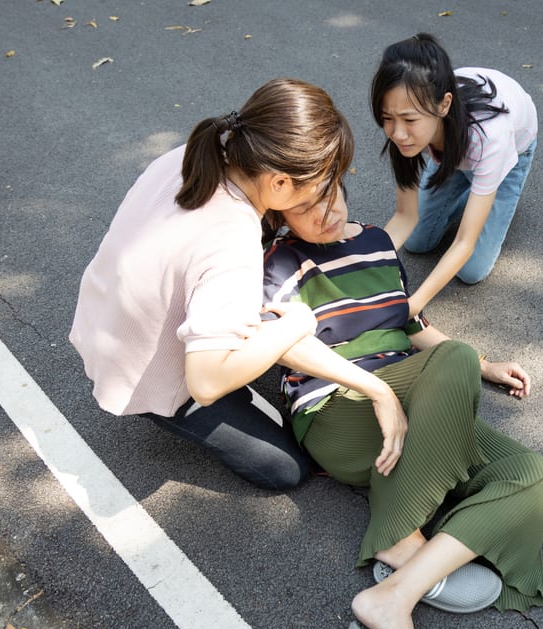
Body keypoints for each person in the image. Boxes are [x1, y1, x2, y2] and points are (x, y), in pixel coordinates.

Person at [262, 184, 543, 629]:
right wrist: (386, 388)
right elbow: (282, 345)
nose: (326, 211)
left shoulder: (376, 240)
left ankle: (396, 593)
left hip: (409, 396)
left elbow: (410, 322)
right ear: (277, 213)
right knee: (452, 359)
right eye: (303, 207)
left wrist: (484, 364)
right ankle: (402, 532)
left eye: (330, 194)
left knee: (532, 474)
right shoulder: (276, 261)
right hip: (337, 409)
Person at [69, 78, 354, 490]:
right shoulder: (232, 241)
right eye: (319, 182)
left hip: (104, 322)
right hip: (146, 372)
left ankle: (219, 334)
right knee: (286, 467)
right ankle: (188, 386)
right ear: (278, 182)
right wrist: (295, 325)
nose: (326, 193)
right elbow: (205, 384)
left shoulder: (193, 155)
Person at [370, 33, 538, 316]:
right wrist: (361, 266)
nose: (397, 133)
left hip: (506, 150)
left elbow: (464, 243)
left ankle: (487, 194)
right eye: (388, 118)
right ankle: (477, 195)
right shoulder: (408, 129)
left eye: (410, 119)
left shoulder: (490, 138)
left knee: (472, 270)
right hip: (449, 147)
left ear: (443, 105)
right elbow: (404, 217)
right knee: (417, 242)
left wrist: (414, 305)